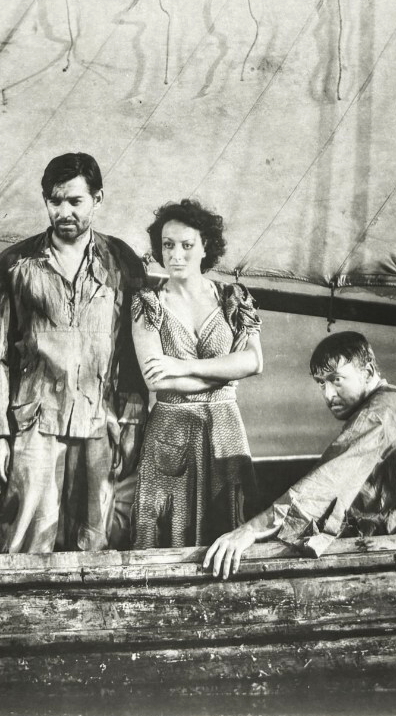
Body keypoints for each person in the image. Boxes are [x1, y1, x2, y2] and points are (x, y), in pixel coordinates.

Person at [0, 153, 147, 553]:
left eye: (75, 201)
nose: (64, 212)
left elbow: (133, 354)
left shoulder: (122, 262)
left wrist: (132, 423)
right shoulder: (13, 265)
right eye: (55, 201)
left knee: (95, 538)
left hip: (101, 420)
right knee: (26, 538)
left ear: (97, 199)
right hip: (33, 422)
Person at [204, 331, 396, 579]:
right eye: (321, 383)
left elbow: (321, 486)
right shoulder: (395, 401)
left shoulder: (379, 414)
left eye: (336, 380)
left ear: (368, 372)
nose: (328, 395)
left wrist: (250, 530)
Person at [131, 199, 263, 549]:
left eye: (186, 245)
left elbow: (254, 361)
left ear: (206, 247)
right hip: (171, 437)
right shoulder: (148, 303)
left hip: (226, 433)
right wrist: (226, 373)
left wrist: (183, 366)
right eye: (168, 245)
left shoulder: (234, 298)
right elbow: (156, 380)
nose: (176, 255)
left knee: (231, 533)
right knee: (167, 539)